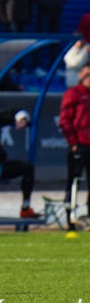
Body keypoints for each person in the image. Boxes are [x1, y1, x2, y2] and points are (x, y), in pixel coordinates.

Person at [58, 64, 90, 229]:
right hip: (80, 145)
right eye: (87, 75)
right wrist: (73, 142)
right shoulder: (73, 94)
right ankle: (70, 216)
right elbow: (65, 119)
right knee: (74, 181)